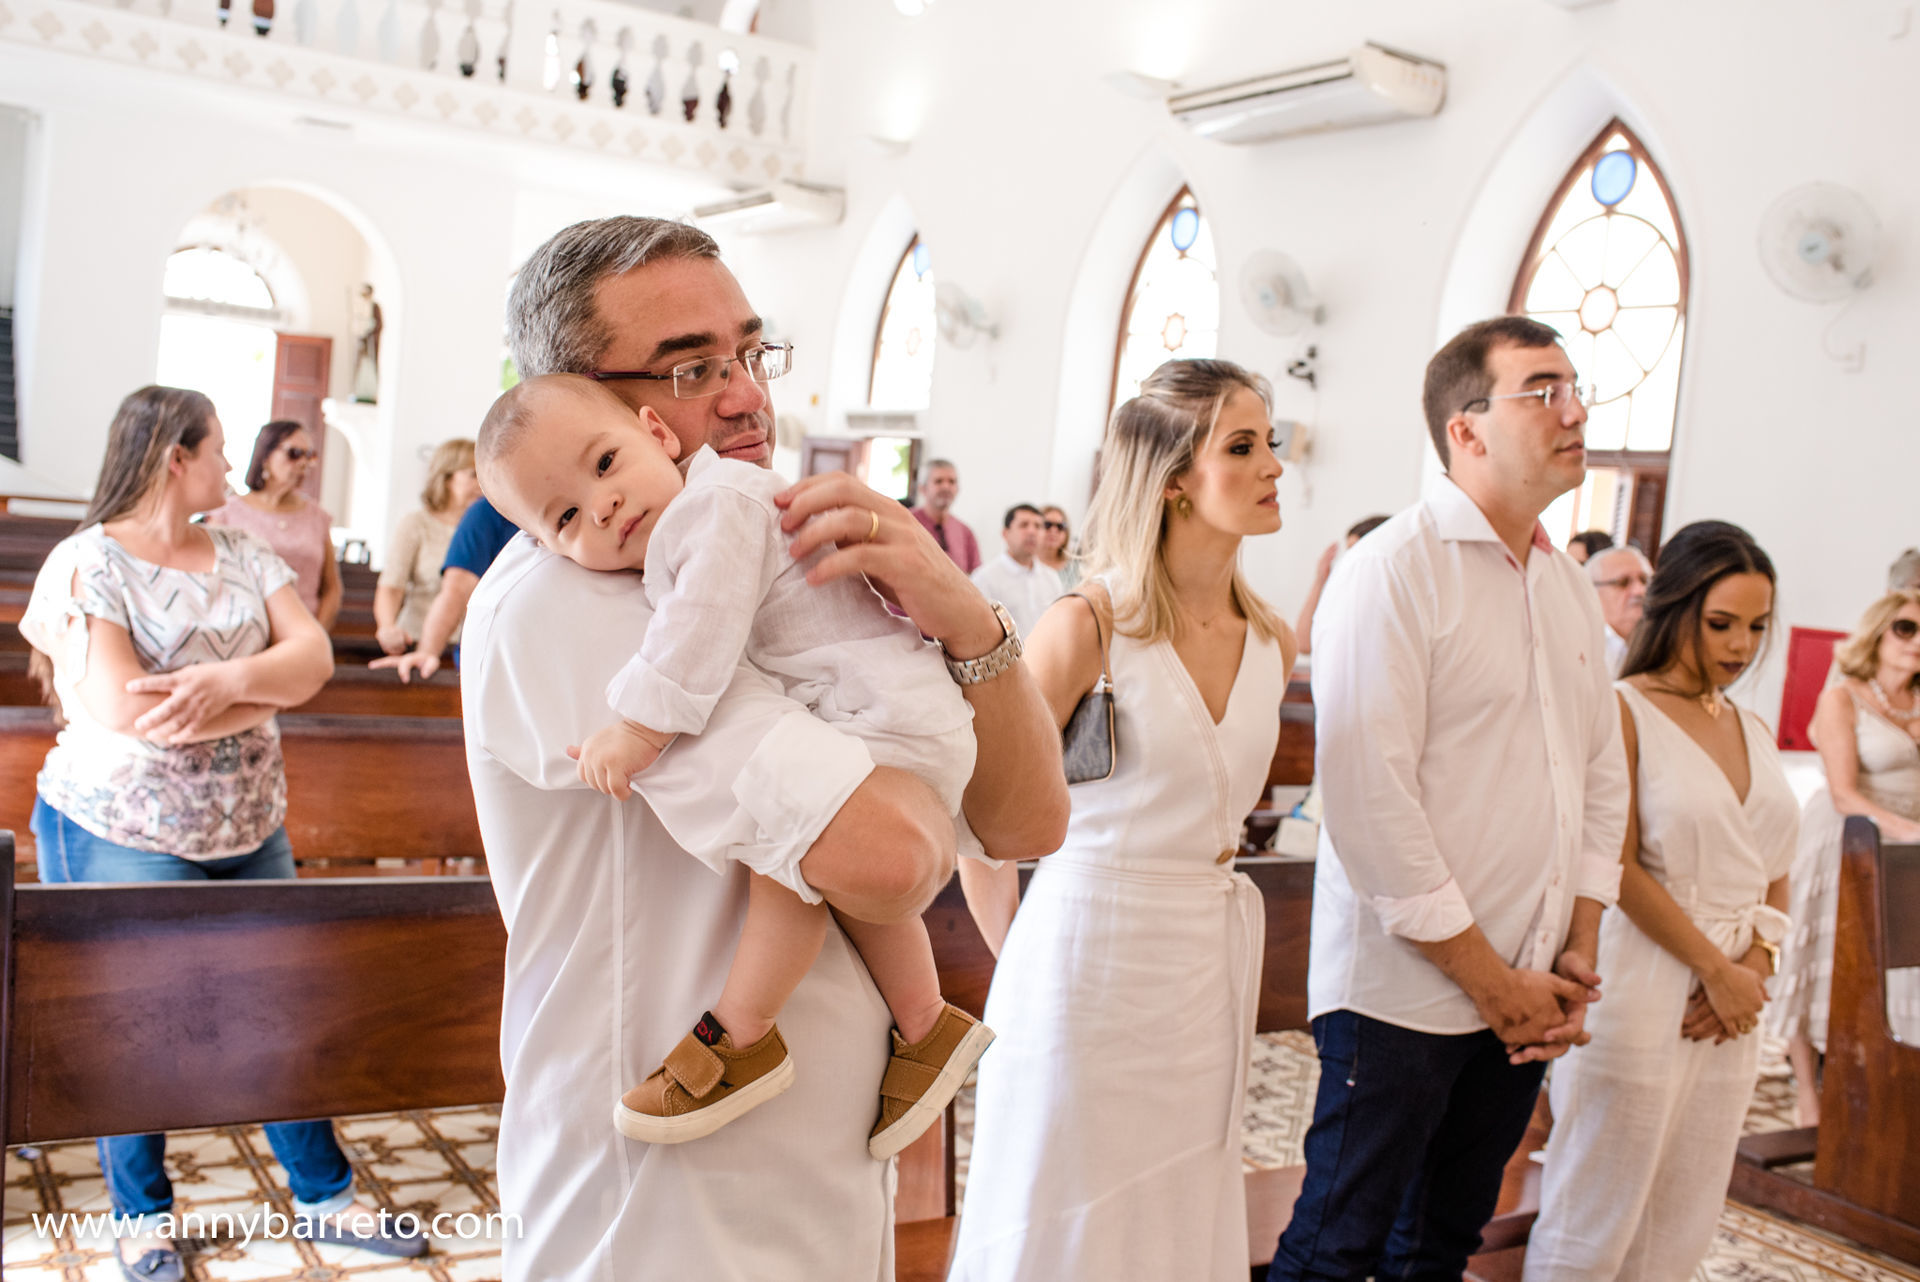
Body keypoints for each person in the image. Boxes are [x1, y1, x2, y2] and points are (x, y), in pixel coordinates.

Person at [470, 215, 1067, 1281]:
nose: (747, 392)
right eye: (694, 366)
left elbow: (1025, 827)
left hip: (816, 1170)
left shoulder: (764, 549)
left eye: (751, 351)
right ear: (589, 401)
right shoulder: (577, 596)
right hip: (659, 1212)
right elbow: (894, 857)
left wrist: (963, 614)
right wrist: (917, 766)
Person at [475, 374, 992, 1156]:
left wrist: (639, 730)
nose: (603, 505)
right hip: (877, 715)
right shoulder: (584, 581)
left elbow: (701, 633)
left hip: (879, 711)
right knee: (811, 852)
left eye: (606, 463)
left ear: (656, 432)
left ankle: (741, 1037)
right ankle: (925, 1023)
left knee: (788, 845)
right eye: (568, 516)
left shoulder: (714, 504)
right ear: (542, 548)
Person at [19, 386, 423, 1282]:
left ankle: (325, 1195)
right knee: (139, 1024)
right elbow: (125, 710)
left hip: (248, 820)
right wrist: (258, 690)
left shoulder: (240, 549)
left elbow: (313, 655)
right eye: (216, 449)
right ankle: (142, 1216)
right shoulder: (89, 565)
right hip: (122, 824)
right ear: (176, 456)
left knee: (279, 1004)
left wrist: (218, 682)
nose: (227, 463)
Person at [1266, 317, 1629, 1281]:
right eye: (1543, 391)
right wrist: (1491, 980)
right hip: (1402, 989)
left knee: (1443, 1241)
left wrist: (1577, 943)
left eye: (1575, 387)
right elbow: (1370, 804)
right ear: (1465, 429)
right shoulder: (1394, 569)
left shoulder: (1564, 583)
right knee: (1339, 1243)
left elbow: (1598, 776)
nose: (1576, 410)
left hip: (1533, 974)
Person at [950, 359, 1296, 1281]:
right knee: (1062, 1211)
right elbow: (981, 821)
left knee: (1173, 1207)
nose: (1274, 465)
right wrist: (1021, 958)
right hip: (1082, 957)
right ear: (1175, 477)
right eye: (1243, 446)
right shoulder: (1087, 625)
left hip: (1202, 963)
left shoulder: (1273, 639)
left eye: (1272, 443)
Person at [1525, 520, 1798, 1282]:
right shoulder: (1622, 709)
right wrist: (1714, 966)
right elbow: (1616, 860)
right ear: (1672, 606)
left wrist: (1755, 961)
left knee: (1685, 1208)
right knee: (1599, 1206)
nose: (1740, 647)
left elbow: (1776, 859)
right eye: (1721, 624)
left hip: (1735, 992)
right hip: (1644, 982)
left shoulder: (1751, 725)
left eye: (1755, 627)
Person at [1768, 587, 1920, 1125]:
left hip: (1907, 851)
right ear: (1878, 632)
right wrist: (1908, 831)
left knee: (1898, 971)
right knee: (1822, 963)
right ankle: (1809, 1098)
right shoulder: (1843, 697)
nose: (1916, 641)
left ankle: (1883, 1096)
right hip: (1846, 838)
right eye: (1906, 628)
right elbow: (1844, 793)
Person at [205, 419, 341, 630]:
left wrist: (315, 635)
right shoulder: (227, 513)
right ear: (266, 456)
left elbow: (331, 588)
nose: (303, 463)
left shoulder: (317, 517)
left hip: (304, 635)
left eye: (309, 455)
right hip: (240, 632)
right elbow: (211, 580)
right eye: (294, 454)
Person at [370, 493, 518, 680]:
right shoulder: (486, 512)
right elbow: (456, 590)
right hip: (492, 657)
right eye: (471, 475)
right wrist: (426, 650)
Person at [373, 437, 481, 656]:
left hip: (475, 647)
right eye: (473, 475)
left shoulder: (487, 529)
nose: (482, 484)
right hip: (418, 642)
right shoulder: (416, 524)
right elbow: (392, 586)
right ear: (447, 478)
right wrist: (386, 628)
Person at [1292, 514, 1388, 657]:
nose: (1348, 560)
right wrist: (1320, 580)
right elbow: (1304, 643)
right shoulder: (1346, 595)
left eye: (1355, 551)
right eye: (1348, 551)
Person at [970, 504, 1064, 640]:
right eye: (1024, 525)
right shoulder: (984, 578)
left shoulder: (1051, 578)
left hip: (1045, 659)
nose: (1032, 531)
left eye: (1038, 526)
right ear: (1005, 533)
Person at [1589, 543, 1653, 677]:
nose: (1639, 591)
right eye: (1623, 582)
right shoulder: (1584, 647)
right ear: (1594, 591)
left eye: (1644, 580)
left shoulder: (1661, 643)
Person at [910, 457, 981, 574]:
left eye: (952, 482)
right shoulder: (906, 521)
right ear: (922, 488)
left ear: (957, 489)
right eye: (938, 481)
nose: (946, 487)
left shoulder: (965, 532)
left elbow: (975, 576)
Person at [1037, 503, 1079, 590]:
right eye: (1047, 525)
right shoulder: (1025, 567)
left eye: (1060, 526)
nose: (1054, 530)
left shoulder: (1078, 569)